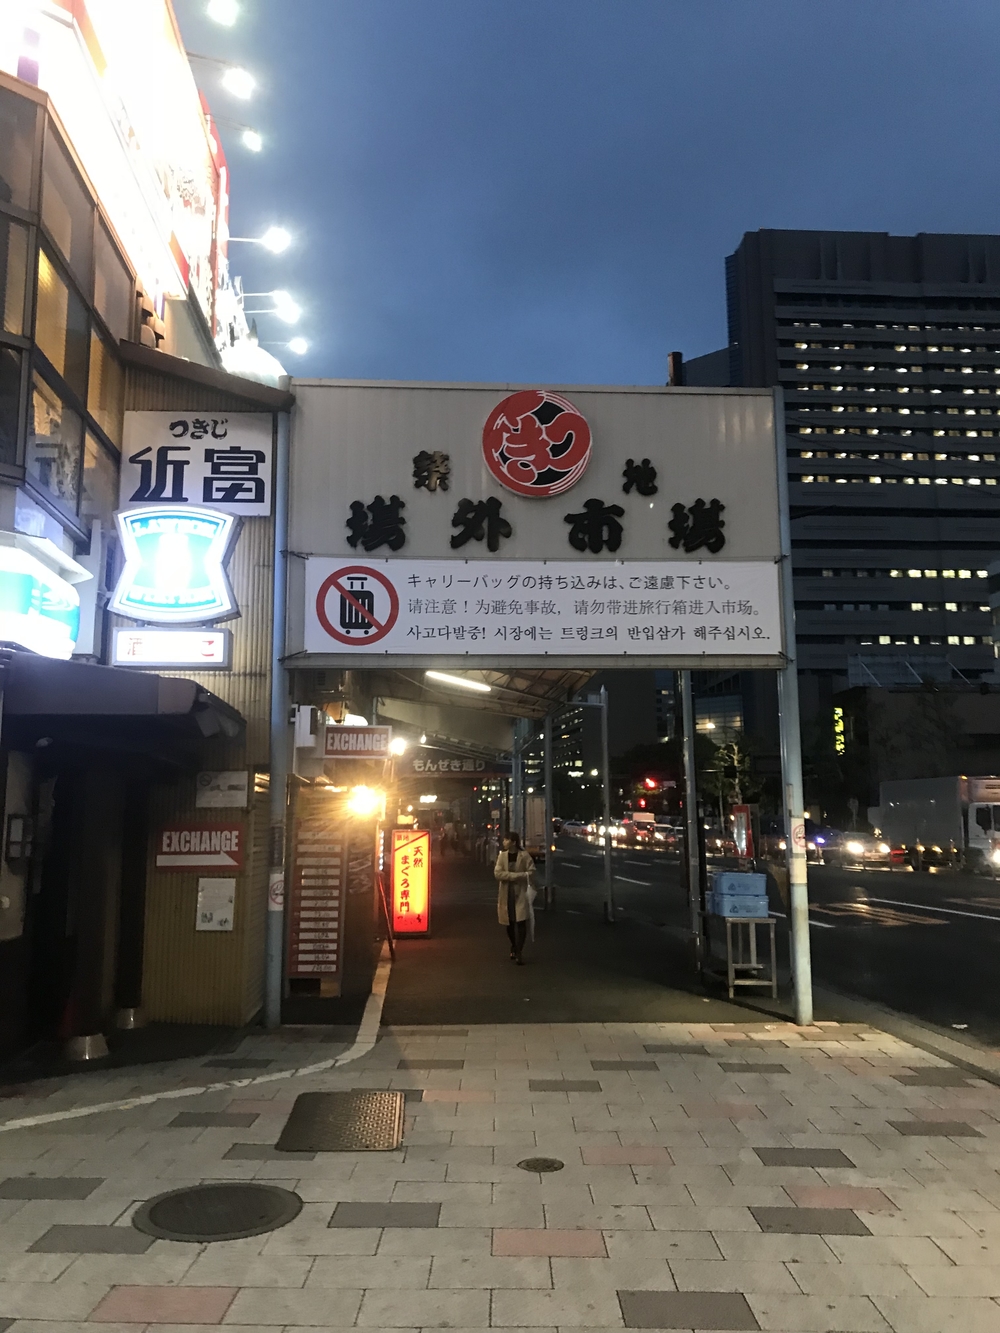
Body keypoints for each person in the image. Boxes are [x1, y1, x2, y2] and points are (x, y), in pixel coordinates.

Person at [494, 831, 534, 964]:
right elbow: (497, 873)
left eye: (506, 840)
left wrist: (512, 876)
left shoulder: (524, 855)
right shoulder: (502, 856)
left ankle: (519, 951)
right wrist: (516, 876)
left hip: (521, 892)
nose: (504, 842)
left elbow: (531, 872)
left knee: (521, 921)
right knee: (509, 922)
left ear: (513, 842)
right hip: (506, 893)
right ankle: (514, 945)